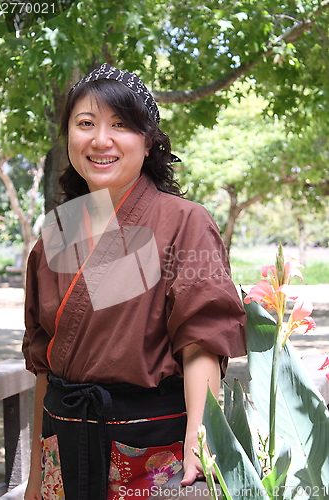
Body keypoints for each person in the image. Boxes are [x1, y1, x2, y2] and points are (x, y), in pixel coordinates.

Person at [23, 63, 247, 500]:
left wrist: (200, 441)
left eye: (120, 125)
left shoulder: (185, 222)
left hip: (148, 454)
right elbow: (43, 365)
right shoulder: (53, 236)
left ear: (147, 143)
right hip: (61, 451)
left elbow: (201, 341)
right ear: (68, 135)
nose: (100, 139)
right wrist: (35, 476)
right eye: (85, 123)